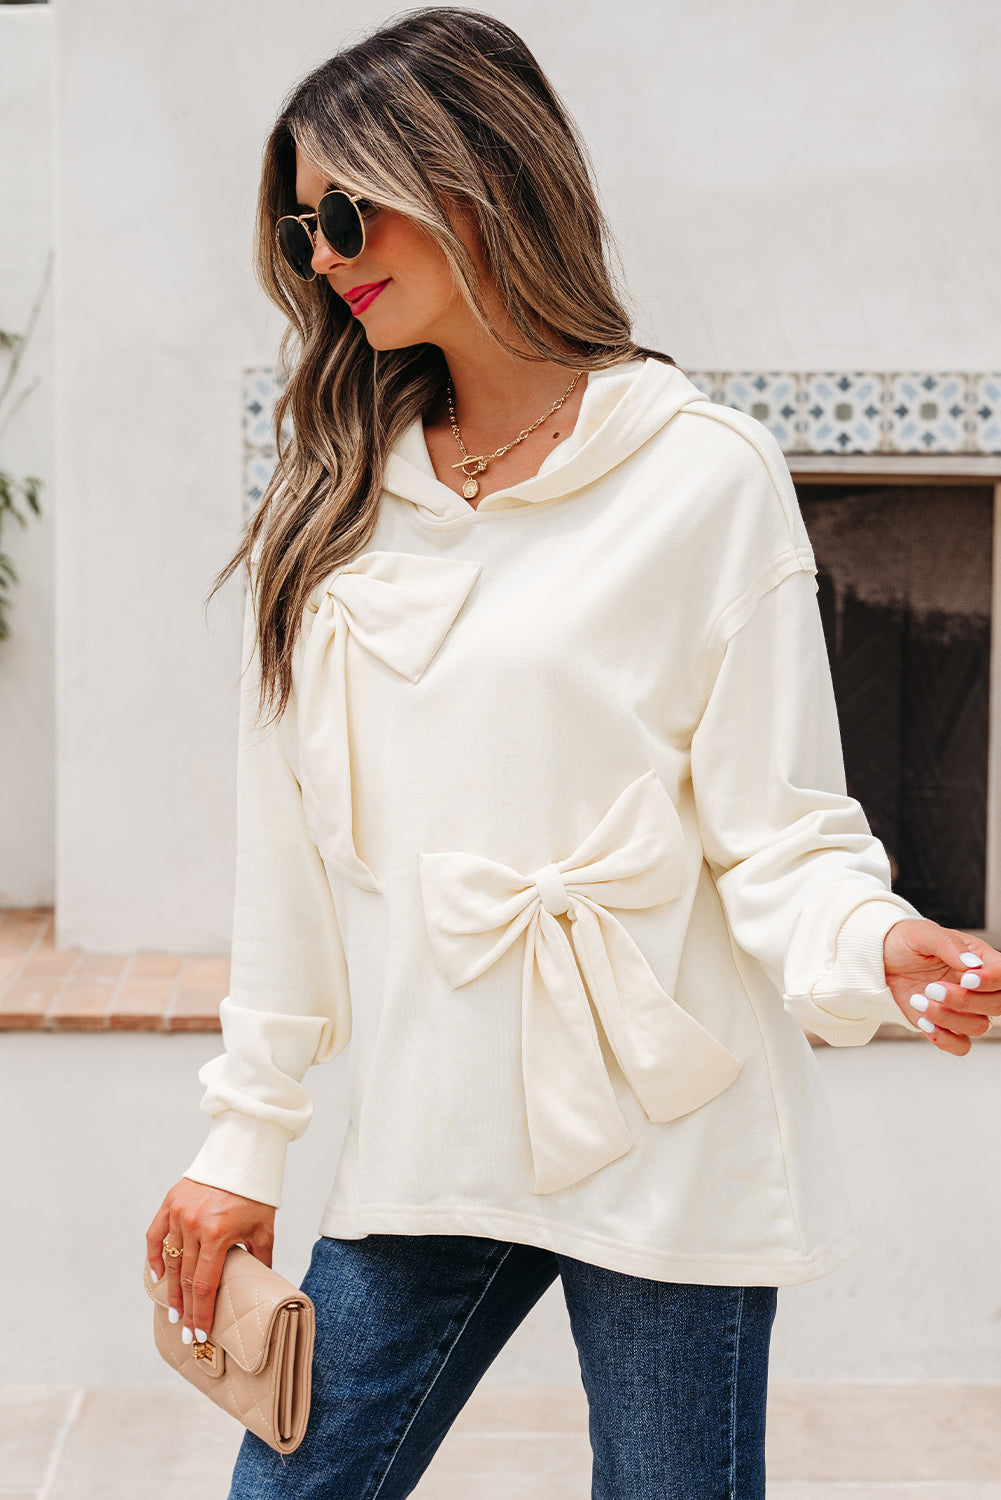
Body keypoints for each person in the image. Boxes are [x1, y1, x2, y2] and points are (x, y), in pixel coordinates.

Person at [145, 8, 1000, 1497]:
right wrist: (244, 1140)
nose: (324, 258)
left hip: (667, 1126)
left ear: (474, 178)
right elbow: (286, 867)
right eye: (300, 231)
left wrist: (877, 943)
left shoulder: (701, 475)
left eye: (347, 214)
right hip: (431, 1133)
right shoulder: (333, 503)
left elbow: (778, 831)